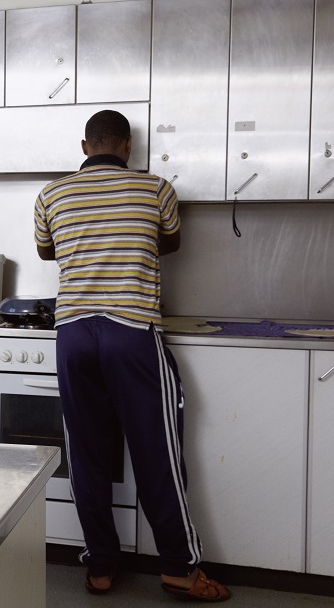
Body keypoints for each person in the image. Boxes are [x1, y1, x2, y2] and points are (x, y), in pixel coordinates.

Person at [33, 110, 230, 602]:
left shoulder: (50, 194)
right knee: (157, 453)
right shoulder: (156, 189)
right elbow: (172, 242)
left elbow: (46, 251)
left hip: (74, 335)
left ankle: (100, 567)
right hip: (131, 332)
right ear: (125, 147)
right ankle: (180, 571)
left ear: (85, 147)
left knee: (86, 455)